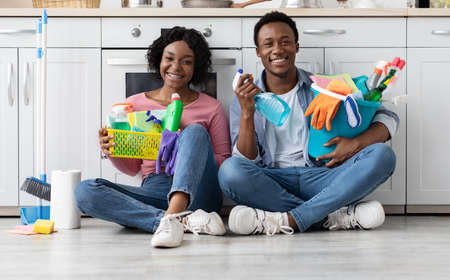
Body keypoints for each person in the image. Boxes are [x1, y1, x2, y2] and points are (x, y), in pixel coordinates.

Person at [218, 11, 398, 235]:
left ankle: (287, 219)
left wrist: (357, 144)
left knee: (383, 155)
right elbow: (246, 160)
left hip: (322, 176)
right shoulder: (244, 99)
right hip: (273, 181)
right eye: (268, 44)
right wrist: (247, 113)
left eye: (285, 42)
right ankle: (329, 216)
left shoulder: (324, 87)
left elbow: (388, 117)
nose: (277, 50)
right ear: (258, 52)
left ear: (296, 47)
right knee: (230, 171)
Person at [75, 26, 231, 248]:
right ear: (159, 60)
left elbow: (224, 162)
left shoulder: (211, 108)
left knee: (195, 131)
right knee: (85, 191)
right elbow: (131, 169)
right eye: (169, 58)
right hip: (155, 188)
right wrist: (112, 148)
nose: (176, 67)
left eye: (186, 61)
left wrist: (184, 145)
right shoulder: (134, 104)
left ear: (195, 67)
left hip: (200, 192)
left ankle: (170, 217)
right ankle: (180, 220)